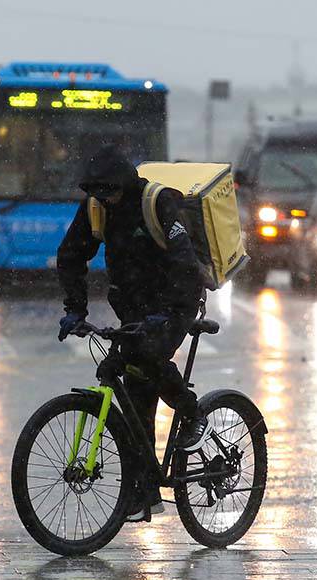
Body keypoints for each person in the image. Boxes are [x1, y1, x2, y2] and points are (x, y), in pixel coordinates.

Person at [56, 145, 213, 521]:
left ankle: (193, 414)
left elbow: (184, 262)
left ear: (125, 184)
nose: (103, 200)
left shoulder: (159, 203)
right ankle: (144, 493)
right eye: (96, 193)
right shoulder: (97, 205)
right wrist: (74, 309)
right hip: (130, 304)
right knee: (135, 392)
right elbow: (71, 254)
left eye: (109, 192)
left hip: (175, 301)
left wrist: (168, 311)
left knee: (147, 356)